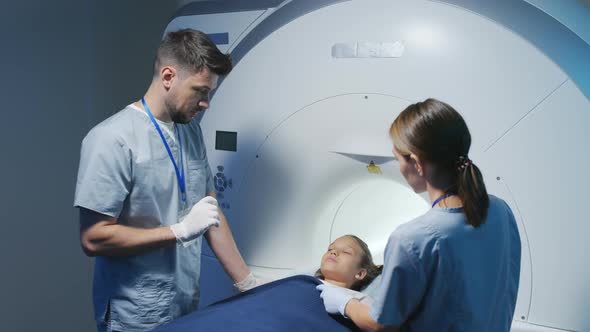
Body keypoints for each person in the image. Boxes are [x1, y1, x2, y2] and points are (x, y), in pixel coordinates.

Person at [74, 29, 259, 332]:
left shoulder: (190, 131)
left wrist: (248, 283)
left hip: (185, 304)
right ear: (169, 76)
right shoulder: (111, 139)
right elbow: (93, 238)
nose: (205, 103)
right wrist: (179, 231)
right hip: (135, 313)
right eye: (200, 90)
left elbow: (210, 212)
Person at [317, 98, 522, 331]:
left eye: (397, 159)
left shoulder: (412, 238)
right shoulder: (500, 210)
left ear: (416, 163)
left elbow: (381, 324)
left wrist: (344, 302)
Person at [152, 234, 381, 332]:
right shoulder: (299, 281)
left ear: (360, 274)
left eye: (345, 252)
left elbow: (380, 325)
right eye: (331, 248)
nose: (333, 252)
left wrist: (345, 303)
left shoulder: (358, 301)